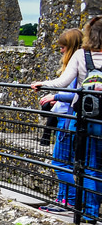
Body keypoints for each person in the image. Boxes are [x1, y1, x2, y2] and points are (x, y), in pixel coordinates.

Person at [33, 16, 102, 221]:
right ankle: (92, 207)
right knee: (98, 167)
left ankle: (88, 212)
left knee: (86, 165)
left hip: (83, 117)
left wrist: (42, 84)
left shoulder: (82, 55)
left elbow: (63, 82)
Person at [32, 29, 83, 211]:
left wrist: (56, 96)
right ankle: (62, 199)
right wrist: (57, 99)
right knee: (64, 163)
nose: (61, 50)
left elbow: (76, 94)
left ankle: (70, 201)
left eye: (63, 47)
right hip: (67, 118)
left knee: (59, 163)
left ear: (71, 47)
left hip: (68, 121)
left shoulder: (78, 65)